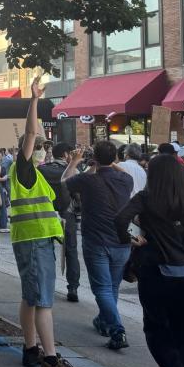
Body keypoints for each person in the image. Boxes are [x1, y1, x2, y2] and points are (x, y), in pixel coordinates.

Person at [10, 77, 82, 367]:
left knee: (30, 297)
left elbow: (60, 191)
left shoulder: (33, 177)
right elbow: (29, 132)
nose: (42, 151)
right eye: (39, 148)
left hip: (33, 239)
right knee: (43, 301)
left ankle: (30, 349)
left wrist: (73, 166)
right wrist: (35, 100)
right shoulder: (24, 170)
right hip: (35, 241)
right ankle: (50, 359)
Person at [114, 154, 184, 367]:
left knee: (156, 325)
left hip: (154, 270)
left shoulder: (146, 198)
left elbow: (120, 219)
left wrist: (131, 239)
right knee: (182, 324)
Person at [62, 140, 133, 350]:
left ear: (94, 159)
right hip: (121, 242)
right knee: (112, 287)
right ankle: (104, 321)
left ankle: (117, 329)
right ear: (116, 159)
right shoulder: (126, 180)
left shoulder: (86, 180)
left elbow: (65, 180)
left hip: (96, 240)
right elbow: (114, 167)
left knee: (102, 288)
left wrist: (75, 161)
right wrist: (111, 162)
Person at [37, 143, 80, 302]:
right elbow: (78, 196)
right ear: (66, 154)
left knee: (45, 250)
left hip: (46, 214)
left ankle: (45, 284)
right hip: (66, 214)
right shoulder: (72, 171)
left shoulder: (41, 169)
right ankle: (73, 287)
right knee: (71, 251)